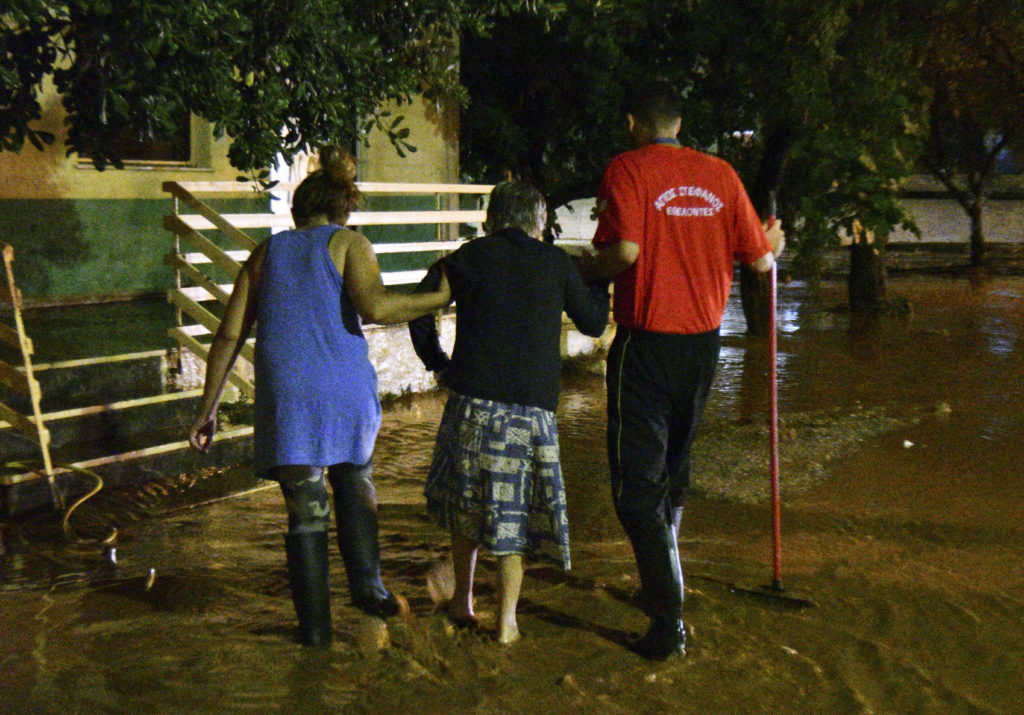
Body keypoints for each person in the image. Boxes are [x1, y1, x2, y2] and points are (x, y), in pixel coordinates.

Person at [187, 147, 451, 647]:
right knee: (356, 482)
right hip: (343, 393)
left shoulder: (266, 253)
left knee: (305, 509)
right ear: (340, 211)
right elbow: (374, 306)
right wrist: (438, 299)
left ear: (298, 211)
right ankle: (368, 591)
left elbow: (228, 336)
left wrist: (208, 409)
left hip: (287, 397)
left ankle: (315, 634)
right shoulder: (349, 243)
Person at [578, 78, 785, 660]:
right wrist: (776, 243)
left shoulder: (627, 168)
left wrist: (584, 270)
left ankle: (669, 617)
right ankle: (661, 581)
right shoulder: (721, 175)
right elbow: (763, 260)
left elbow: (624, 252)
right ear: (679, 126)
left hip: (645, 346)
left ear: (632, 123)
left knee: (632, 488)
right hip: (703, 348)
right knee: (674, 466)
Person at [409, 180, 608, 644]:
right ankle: (507, 622)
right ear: (540, 223)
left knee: (467, 508)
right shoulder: (556, 264)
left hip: (472, 406)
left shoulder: (467, 257)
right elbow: (595, 324)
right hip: (530, 415)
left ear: (491, 219)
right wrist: (597, 280)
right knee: (511, 518)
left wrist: (439, 364)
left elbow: (418, 313)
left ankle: (462, 602)